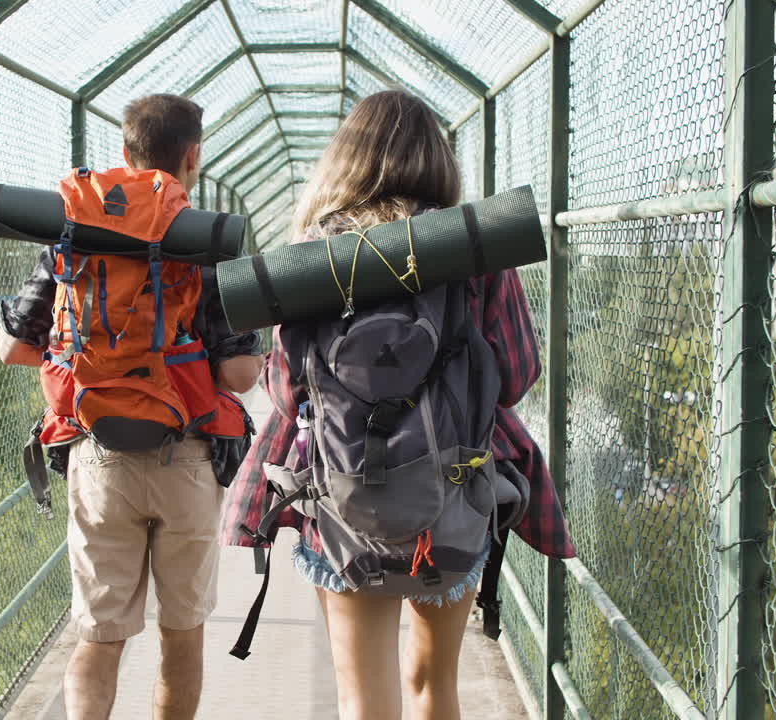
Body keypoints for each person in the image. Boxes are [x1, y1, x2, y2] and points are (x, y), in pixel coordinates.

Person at [220, 89, 576, 720]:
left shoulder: (312, 257)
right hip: (455, 499)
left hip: (341, 502)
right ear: (437, 159)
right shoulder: (473, 251)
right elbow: (518, 375)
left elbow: (283, 392)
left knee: (363, 698)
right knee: (435, 685)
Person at [0, 93, 263, 720]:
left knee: (99, 635)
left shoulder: (76, 234)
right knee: (182, 633)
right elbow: (240, 371)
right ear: (193, 157)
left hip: (98, 457)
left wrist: (93, 362)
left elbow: (13, 347)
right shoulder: (205, 241)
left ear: (126, 153)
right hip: (188, 458)